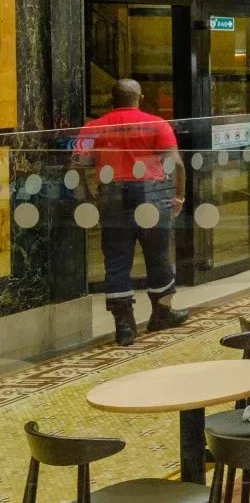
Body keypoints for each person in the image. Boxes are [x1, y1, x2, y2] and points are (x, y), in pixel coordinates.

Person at [73, 80, 188, 346]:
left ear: (111, 100)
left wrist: (89, 196)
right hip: (152, 195)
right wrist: (179, 196)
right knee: (158, 256)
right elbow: (177, 164)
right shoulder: (157, 123)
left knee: (116, 261)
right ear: (140, 97)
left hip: (112, 195)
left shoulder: (93, 127)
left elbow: (78, 165)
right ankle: (162, 314)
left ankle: (124, 327)